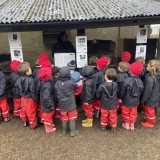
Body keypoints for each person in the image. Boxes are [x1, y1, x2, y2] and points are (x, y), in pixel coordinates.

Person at [119, 62, 143, 131]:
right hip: (135, 101)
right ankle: (132, 124)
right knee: (133, 112)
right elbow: (140, 92)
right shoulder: (140, 81)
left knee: (126, 111)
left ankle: (127, 124)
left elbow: (122, 91)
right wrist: (138, 100)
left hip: (126, 100)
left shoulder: (126, 80)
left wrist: (120, 98)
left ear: (130, 70)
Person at [55, 67, 78, 137]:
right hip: (70, 103)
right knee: (72, 117)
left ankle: (64, 131)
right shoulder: (71, 83)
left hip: (62, 103)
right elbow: (76, 86)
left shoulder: (57, 83)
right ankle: (73, 132)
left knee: (64, 117)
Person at [15, 62, 37, 129]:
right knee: (31, 112)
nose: (31, 70)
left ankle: (24, 121)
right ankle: (32, 125)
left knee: (24, 110)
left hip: (22, 98)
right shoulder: (31, 80)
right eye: (30, 69)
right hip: (30, 99)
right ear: (26, 72)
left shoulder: (18, 79)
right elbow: (32, 91)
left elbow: (17, 89)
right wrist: (36, 99)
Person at [96, 68, 118, 132]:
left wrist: (99, 98)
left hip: (104, 104)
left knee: (104, 116)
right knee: (113, 116)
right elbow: (117, 93)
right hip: (113, 104)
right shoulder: (115, 84)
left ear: (105, 76)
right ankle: (113, 127)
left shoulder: (102, 85)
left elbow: (98, 94)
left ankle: (103, 126)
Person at [141, 60, 160, 128]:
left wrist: (143, 100)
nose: (146, 67)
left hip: (150, 99)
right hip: (155, 96)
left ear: (152, 68)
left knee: (149, 110)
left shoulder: (150, 79)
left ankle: (150, 122)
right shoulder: (157, 76)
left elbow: (147, 92)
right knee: (150, 110)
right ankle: (149, 118)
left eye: (148, 66)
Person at [38, 66, 56, 133]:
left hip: (43, 103)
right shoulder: (47, 85)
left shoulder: (42, 81)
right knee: (48, 116)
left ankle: (49, 124)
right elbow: (47, 97)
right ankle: (48, 128)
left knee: (47, 115)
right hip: (47, 105)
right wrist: (51, 105)